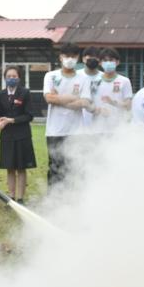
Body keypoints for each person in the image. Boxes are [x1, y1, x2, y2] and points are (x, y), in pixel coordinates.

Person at [43, 43, 92, 185]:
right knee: (55, 168)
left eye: (73, 56)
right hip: (55, 131)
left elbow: (84, 102)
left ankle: (72, 201)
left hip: (76, 132)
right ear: (60, 57)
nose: (70, 59)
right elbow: (48, 98)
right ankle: (53, 202)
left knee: (75, 168)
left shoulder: (84, 79)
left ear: (78, 58)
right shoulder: (51, 76)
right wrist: (73, 98)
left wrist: (59, 99)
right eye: (67, 56)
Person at [0, 66, 35, 203]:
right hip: (7, 136)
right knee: (10, 167)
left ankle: (20, 198)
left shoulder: (25, 93)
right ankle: (11, 196)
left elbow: (29, 115)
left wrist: (11, 120)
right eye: (9, 76)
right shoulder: (0, 94)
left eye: (14, 76)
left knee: (21, 167)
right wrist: (0, 120)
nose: (11, 79)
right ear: (5, 78)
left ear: (19, 78)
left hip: (22, 136)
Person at [90, 47, 133, 133]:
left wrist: (112, 102)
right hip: (98, 128)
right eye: (105, 60)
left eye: (111, 60)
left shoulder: (124, 81)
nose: (108, 63)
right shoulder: (94, 81)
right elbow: (89, 103)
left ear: (117, 62)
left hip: (118, 128)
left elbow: (128, 106)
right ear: (100, 63)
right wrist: (97, 110)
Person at [79, 47, 102, 129]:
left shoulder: (104, 77)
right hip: (79, 123)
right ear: (83, 59)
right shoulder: (76, 76)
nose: (92, 59)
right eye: (89, 56)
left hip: (100, 123)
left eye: (95, 57)